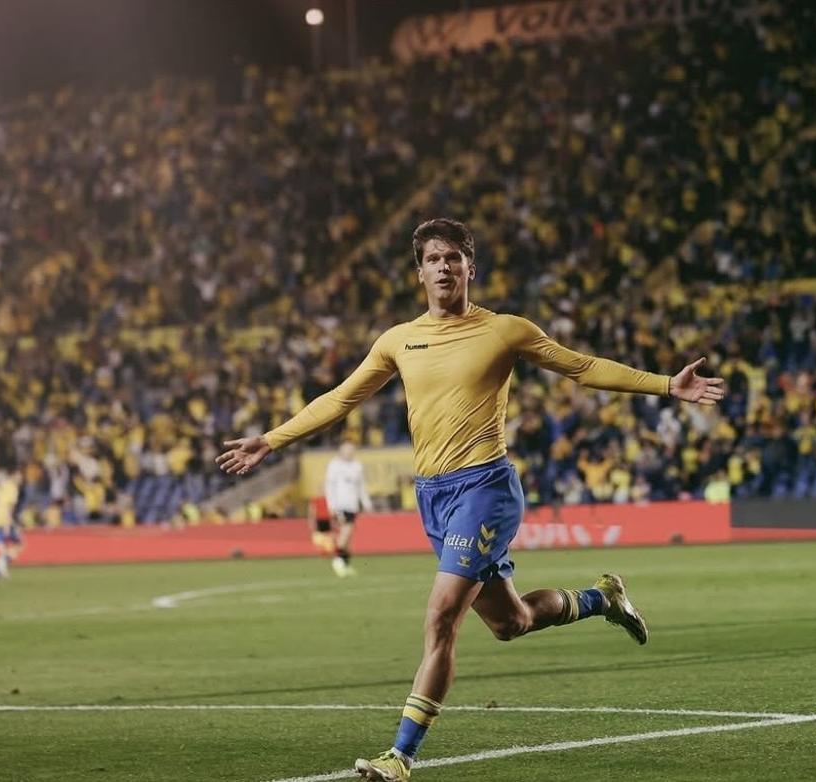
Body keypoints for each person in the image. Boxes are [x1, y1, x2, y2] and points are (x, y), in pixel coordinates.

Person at [217, 218, 725, 781]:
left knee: (440, 617)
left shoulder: (505, 330)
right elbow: (340, 399)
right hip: (432, 497)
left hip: (485, 487)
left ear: (470, 268)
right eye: (433, 259)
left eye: (453, 257)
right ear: (419, 273)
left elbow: (581, 368)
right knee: (512, 622)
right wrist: (271, 440)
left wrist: (665, 384)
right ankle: (603, 599)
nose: (444, 267)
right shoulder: (397, 340)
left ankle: (401, 756)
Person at [325, 440, 374, 577]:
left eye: (351, 449)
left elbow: (361, 486)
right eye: (346, 449)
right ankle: (338, 560)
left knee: (348, 535)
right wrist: (331, 505)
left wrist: (366, 503)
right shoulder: (334, 465)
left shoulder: (357, 466)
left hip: (352, 505)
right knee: (346, 531)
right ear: (341, 451)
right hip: (340, 505)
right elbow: (329, 486)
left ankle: (345, 564)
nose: (349, 452)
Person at [0, 467, 24, 586]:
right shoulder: (12, 488)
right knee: (19, 544)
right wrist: (8, 524)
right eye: (19, 475)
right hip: (3, 522)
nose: (21, 478)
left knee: (3, 551)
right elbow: (8, 507)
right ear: (13, 475)